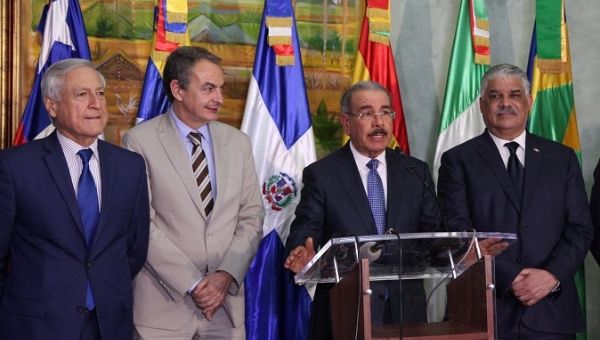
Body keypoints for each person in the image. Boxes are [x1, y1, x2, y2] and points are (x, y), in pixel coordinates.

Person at [437, 63, 593, 340]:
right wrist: (513, 277)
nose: (505, 103)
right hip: (485, 310)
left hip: (551, 310)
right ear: (482, 105)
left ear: (529, 102)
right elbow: (459, 232)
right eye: (495, 96)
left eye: (515, 94)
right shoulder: (457, 161)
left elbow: (580, 227)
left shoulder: (562, 158)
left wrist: (550, 276)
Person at [0, 58, 150, 340]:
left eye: (101, 93)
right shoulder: (15, 167)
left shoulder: (130, 166)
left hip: (108, 324)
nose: (96, 103)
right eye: (82, 94)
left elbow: (134, 248)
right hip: (35, 326)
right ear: (52, 105)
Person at [122, 46, 263, 339]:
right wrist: (194, 283)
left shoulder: (238, 142)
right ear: (178, 89)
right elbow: (140, 224)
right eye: (209, 88)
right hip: (163, 308)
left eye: (221, 88)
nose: (219, 99)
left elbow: (251, 216)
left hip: (225, 310)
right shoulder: (139, 141)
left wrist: (225, 276)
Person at [284, 81, 441, 339]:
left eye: (385, 112)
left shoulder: (415, 171)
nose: (378, 122)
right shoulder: (323, 175)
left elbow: (435, 233)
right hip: (346, 312)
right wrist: (302, 249)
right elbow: (305, 227)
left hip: (405, 314)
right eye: (367, 113)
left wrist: (462, 250)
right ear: (346, 123)